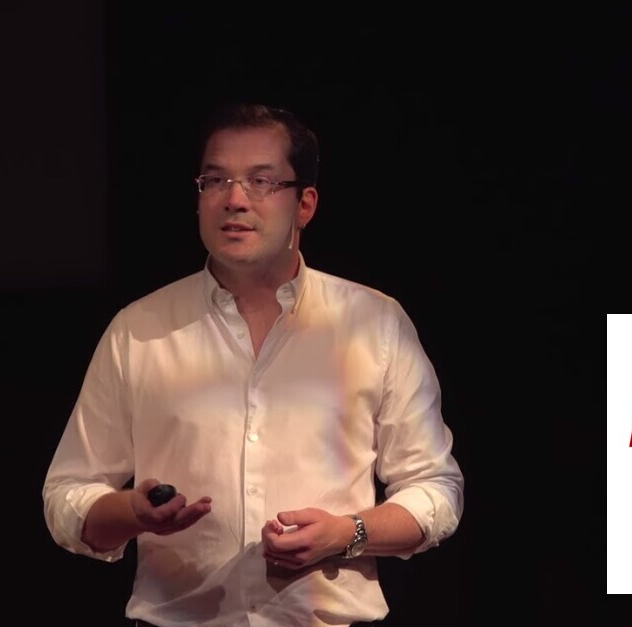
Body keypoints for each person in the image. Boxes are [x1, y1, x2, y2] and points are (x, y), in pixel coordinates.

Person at [42, 102, 465, 627]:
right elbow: (67, 497)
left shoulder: (373, 323)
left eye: (261, 181)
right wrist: (132, 512)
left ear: (305, 204)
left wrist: (347, 533)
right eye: (215, 180)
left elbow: (435, 489)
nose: (235, 199)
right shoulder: (138, 330)